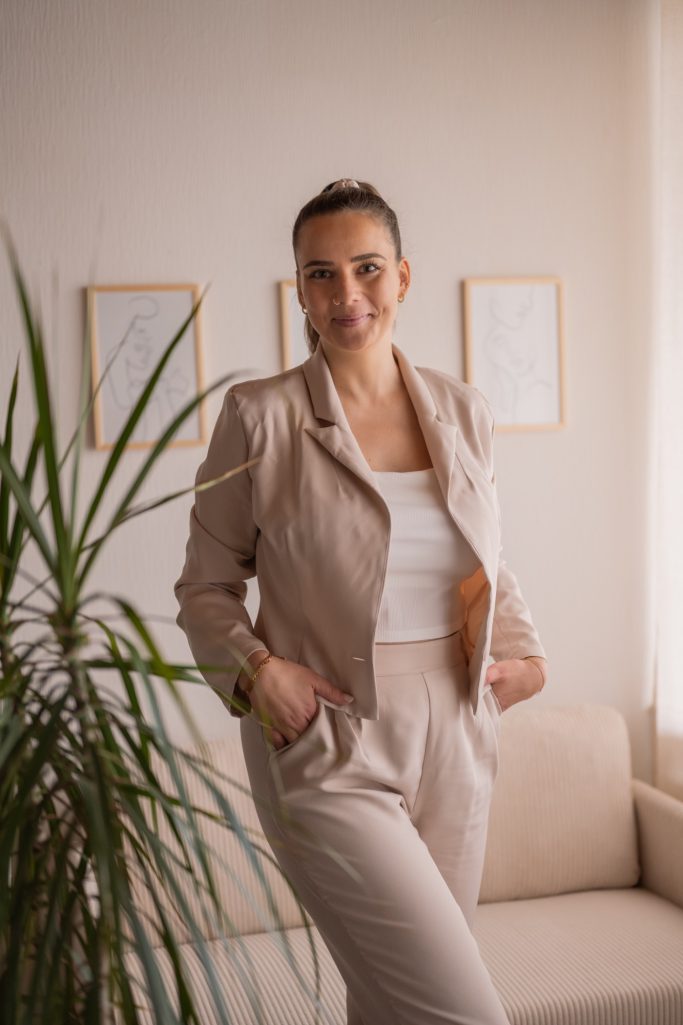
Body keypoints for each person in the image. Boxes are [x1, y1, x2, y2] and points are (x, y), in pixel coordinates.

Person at [174, 178, 548, 1025]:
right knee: (459, 1010)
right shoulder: (259, 417)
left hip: (457, 730)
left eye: (367, 268)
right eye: (321, 274)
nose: (346, 293)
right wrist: (256, 670)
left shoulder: (462, 410)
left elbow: (484, 554)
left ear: (402, 277)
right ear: (299, 289)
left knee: (392, 1006)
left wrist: (524, 652)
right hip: (328, 734)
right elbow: (204, 584)